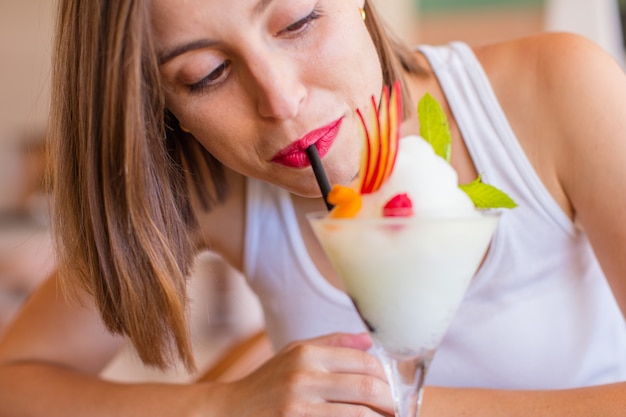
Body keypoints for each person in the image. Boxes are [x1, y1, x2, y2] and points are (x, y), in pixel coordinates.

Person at [1, 0, 626, 415]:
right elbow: (16, 380)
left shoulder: (558, 91)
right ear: (164, 107)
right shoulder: (211, 187)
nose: (281, 98)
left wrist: (398, 401)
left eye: (298, 21)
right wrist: (227, 404)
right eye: (206, 73)